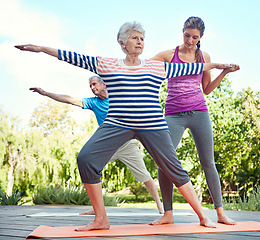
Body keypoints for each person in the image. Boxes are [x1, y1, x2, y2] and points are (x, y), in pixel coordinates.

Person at [15, 20, 236, 231]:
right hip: (117, 123)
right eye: (134, 38)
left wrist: (217, 65)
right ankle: (101, 218)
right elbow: (73, 57)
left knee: (173, 167)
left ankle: (203, 215)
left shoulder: (155, 66)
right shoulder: (107, 65)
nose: (139, 42)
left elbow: (189, 69)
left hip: (152, 125)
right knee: (86, 159)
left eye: (142, 38)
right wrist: (41, 48)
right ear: (122, 43)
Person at [29, 75, 164, 215]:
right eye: (90, 86)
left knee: (144, 175)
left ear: (104, 84)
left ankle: (160, 205)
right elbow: (69, 99)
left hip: (127, 144)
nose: (93, 88)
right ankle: (96, 208)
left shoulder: (118, 98)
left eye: (94, 84)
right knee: (88, 168)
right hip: (107, 145)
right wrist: (45, 93)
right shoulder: (93, 102)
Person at [151, 16, 240, 226]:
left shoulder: (204, 57)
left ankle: (220, 213)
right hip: (173, 114)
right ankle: (168, 213)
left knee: (208, 162)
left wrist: (224, 72)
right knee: (164, 163)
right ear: (182, 32)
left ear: (201, 37)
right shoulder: (168, 55)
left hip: (200, 113)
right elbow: (143, 66)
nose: (190, 40)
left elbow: (207, 90)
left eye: (195, 37)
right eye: (187, 35)